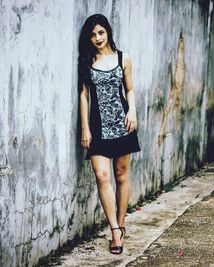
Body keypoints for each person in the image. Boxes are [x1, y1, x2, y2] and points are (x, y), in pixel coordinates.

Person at [78, 14, 141, 255]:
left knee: (122, 175)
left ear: (108, 33)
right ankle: (114, 230)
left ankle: (121, 225)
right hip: (98, 129)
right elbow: (83, 96)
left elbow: (130, 89)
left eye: (101, 33)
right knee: (102, 175)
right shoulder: (86, 62)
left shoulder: (124, 59)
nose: (97, 38)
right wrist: (85, 127)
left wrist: (133, 111)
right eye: (93, 34)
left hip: (124, 125)